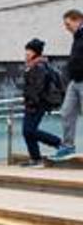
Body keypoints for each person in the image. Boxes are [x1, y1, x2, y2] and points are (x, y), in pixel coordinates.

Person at [19, 38, 65, 167]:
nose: (26, 53)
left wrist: (31, 101)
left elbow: (37, 87)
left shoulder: (39, 66)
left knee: (30, 130)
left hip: (37, 104)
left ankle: (57, 143)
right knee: (27, 131)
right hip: (33, 103)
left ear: (35, 52)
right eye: (26, 50)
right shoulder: (34, 65)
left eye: (29, 50)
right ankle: (35, 159)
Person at [55, 8, 83, 159]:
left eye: (68, 24)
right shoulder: (77, 36)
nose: (66, 28)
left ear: (78, 20)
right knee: (66, 112)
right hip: (75, 80)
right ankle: (68, 146)